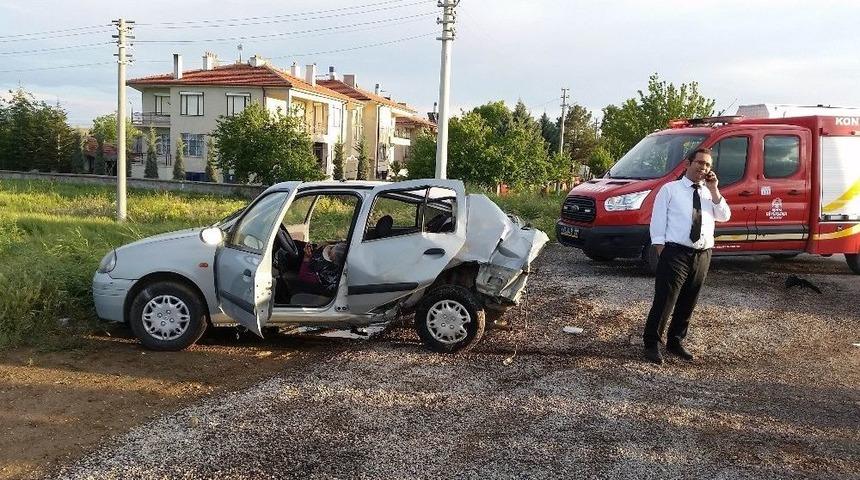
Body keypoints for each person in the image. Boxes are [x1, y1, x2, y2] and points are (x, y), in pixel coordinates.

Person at [643, 147, 731, 365]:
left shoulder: (709, 193)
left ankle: (676, 341)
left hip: (702, 254)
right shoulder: (670, 190)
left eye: (708, 165)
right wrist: (661, 248)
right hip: (675, 252)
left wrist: (714, 190)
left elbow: (724, 216)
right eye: (700, 162)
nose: (703, 167)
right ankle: (651, 343)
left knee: (689, 300)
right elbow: (657, 221)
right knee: (665, 299)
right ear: (688, 164)